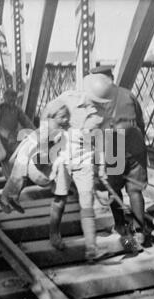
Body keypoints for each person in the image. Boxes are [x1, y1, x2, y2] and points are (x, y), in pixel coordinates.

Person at [48, 74, 114, 262]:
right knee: (60, 199)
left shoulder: (103, 114)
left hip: (85, 161)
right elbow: (48, 117)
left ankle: (91, 250)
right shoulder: (65, 99)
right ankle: (54, 233)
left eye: (99, 102)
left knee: (87, 203)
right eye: (94, 101)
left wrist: (101, 167)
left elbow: (102, 141)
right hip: (63, 160)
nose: (95, 106)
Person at [90, 66, 150, 249]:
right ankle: (140, 232)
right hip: (134, 143)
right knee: (135, 190)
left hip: (113, 145)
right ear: (112, 77)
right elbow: (140, 121)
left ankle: (121, 226)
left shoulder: (96, 98)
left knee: (114, 189)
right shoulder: (128, 94)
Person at [0, 100, 71, 214]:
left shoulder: (62, 126)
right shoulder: (48, 129)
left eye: (67, 116)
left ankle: (13, 198)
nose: (66, 119)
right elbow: (41, 150)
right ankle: (5, 199)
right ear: (53, 117)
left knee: (19, 178)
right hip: (29, 152)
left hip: (34, 152)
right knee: (17, 177)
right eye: (62, 117)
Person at [0, 88, 35, 176]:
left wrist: (35, 131)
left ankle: (13, 176)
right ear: (5, 98)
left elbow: (25, 121)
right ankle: (9, 178)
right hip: (1, 140)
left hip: (13, 138)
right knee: (5, 159)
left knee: (14, 158)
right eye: (10, 100)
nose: (13, 102)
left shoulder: (17, 110)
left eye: (14, 100)